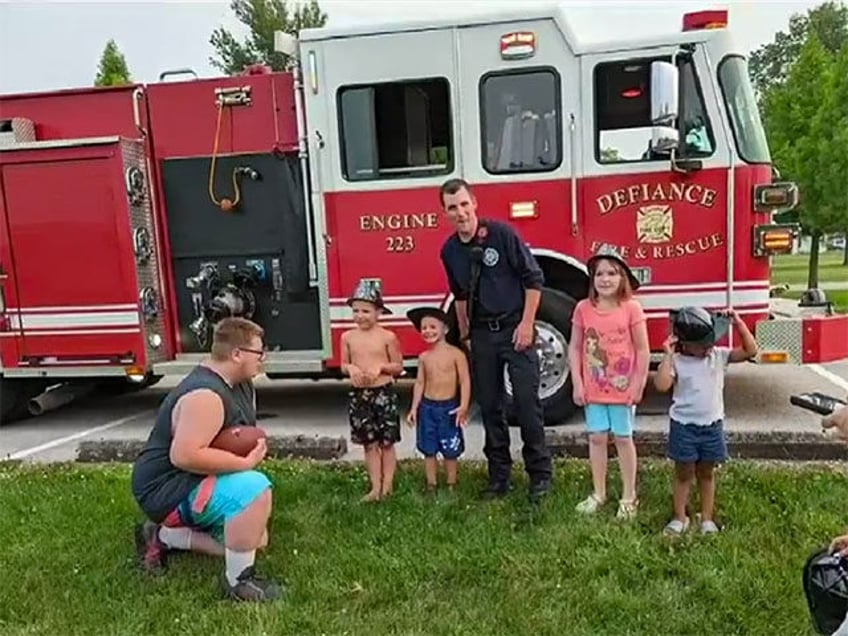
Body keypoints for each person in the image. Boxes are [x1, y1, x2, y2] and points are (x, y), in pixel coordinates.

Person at [131, 317, 281, 602]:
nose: (263, 359)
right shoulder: (206, 395)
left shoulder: (239, 383)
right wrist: (244, 464)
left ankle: (164, 537)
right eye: (259, 353)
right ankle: (238, 582)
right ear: (237, 354)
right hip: (167, 488)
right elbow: (184, 455)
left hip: (191, 478)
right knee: (255, 488)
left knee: (255, 540)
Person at [438, 177, 552, 502]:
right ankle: (499, 476)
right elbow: (459, 296)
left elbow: (534, 279)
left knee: (528, 406)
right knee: (490, 408)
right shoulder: (449, 251)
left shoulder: (502, 235)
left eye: (463, 204)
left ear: (474, 202)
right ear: (444, 213)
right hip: (482, 335)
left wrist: (528, 324)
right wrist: (465, 335)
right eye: (452, 208)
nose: (460, 213)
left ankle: (540, 476)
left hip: (516, 329)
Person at [653, 305, 758, 535]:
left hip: (712, 427)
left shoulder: (718, 357)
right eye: (702, 345)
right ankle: (680, 517)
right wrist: (668, 355)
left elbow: (750, 351)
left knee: (707, 473)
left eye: (711, 342)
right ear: (685, 344)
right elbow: (661, 384)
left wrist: (739, 323)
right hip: (683, 427)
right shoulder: (678, 361)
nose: (709, 348)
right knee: (683, 474)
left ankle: (707, 518)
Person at [568, 244, 650, 520]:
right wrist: (578, 383)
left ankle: (629, 495)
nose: (605, 279)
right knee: (597, 437)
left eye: (612, 273)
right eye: (599, 274)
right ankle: (599, 492)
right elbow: (576, 347)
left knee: (623, 438)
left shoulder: (632, 309)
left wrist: (638, 384)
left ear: (622, 277)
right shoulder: (583, 309)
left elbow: (642, 349)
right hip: (594, 388)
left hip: (622, 389)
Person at [340, 278, 404, 502]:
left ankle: (388, 487)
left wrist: (382, 367)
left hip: (383, 393)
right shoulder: (347, 337)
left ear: (378, 312)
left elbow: (398, 366)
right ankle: (374, 487)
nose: (360, 316)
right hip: (360, 395)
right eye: (356, 311)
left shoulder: (388, 337)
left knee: (386, 442)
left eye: (366, 311)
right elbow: (343, 364)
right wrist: (352, 369)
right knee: (369, 443)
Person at [405, 306, 471, 493]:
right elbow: (419, 383)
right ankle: (431, 484)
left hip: (449, 409)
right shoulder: (424, 357)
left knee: (451, 448)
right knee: (429, 448)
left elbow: (465, 381)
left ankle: (451, 483)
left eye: (433, 327)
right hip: (427, 408)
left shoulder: (457, 355)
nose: (427, 331)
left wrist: (464, 406)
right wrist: (414, 408)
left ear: (446, 329)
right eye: (424, 328)